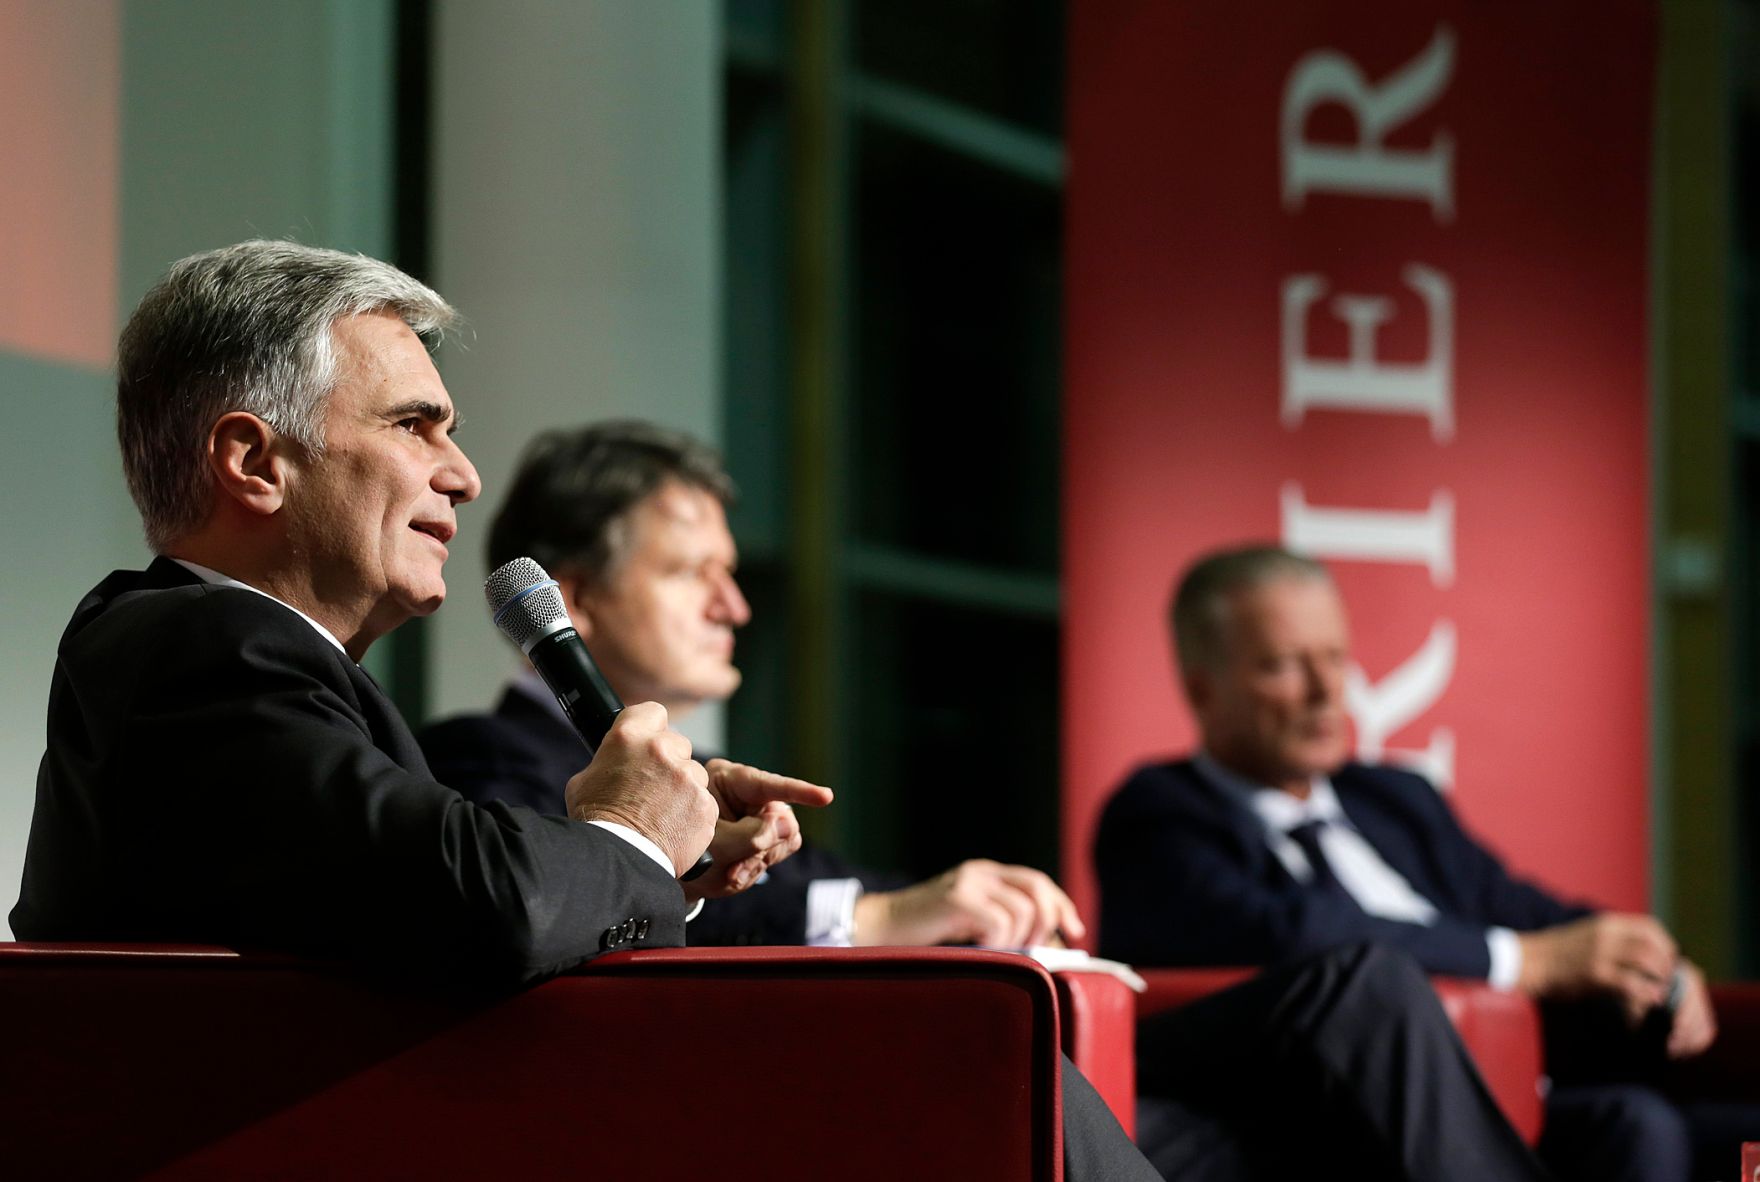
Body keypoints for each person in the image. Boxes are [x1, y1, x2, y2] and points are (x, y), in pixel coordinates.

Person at [421, 421, 1558, 1182]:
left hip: (1001, 1050)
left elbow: (831, 890)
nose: (735, 606)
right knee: (1350, 1001)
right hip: (869, 1085)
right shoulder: (484, 761)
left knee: (1340, 1053)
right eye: (690, 574)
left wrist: (937, 903)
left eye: (732, 571)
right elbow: (582, 915)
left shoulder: (702, 767)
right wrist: (880, 921)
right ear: (572, 596)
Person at [8, 241, 830, 991]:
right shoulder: (198, 649)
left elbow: (407, 905)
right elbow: (482, 906)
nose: (466, 476)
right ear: (255, 462)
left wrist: (665, 853)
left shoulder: (232, 665)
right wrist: (631, 830)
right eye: (413, 426)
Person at [1096, 543, 1750, 1182]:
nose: (1328, 693)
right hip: (1331, 1125)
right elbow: (1289, 935)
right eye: (1285, 666)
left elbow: (1516, 905)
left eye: (1335, 659)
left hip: (1524, 1093)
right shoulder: (1156, 815)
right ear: (1202, 689)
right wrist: (1529, 961)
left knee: (1645, 1125)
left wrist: (1644, 959)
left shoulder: (1394, 799)